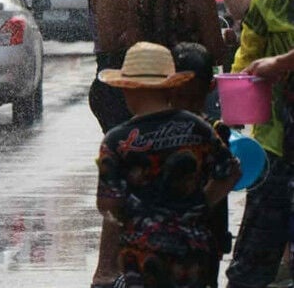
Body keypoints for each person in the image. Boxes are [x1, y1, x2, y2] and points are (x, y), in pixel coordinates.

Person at [96, 41, 240, 288]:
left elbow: (107, 203)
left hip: (141, 255)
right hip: (193, 252)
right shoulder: (200, 128)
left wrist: (133, 217)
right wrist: (200, 204)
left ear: (126, 89)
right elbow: (231, 171)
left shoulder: (116, 140)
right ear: (170, 88)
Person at [85, 0, 143, 288]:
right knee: (123, 180)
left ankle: (116, 266)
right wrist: (139, 32)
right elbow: (110, 41)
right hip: (115, 87)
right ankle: (106, 270)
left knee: (129, 177)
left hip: (121, 86)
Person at [225, 0, 294, 288]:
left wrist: (277, 63)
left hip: (277, 145)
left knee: (253, 262)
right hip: (278, 141)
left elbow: (246, 60)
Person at [171, 42, 230, 288]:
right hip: (168, 235)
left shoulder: (216, 132)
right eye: (179, 97)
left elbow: (225, 182)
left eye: (194, 99)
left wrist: (221, 237)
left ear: (211, 88)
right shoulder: (160, 132)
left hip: (207, 235)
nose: (186, 105)